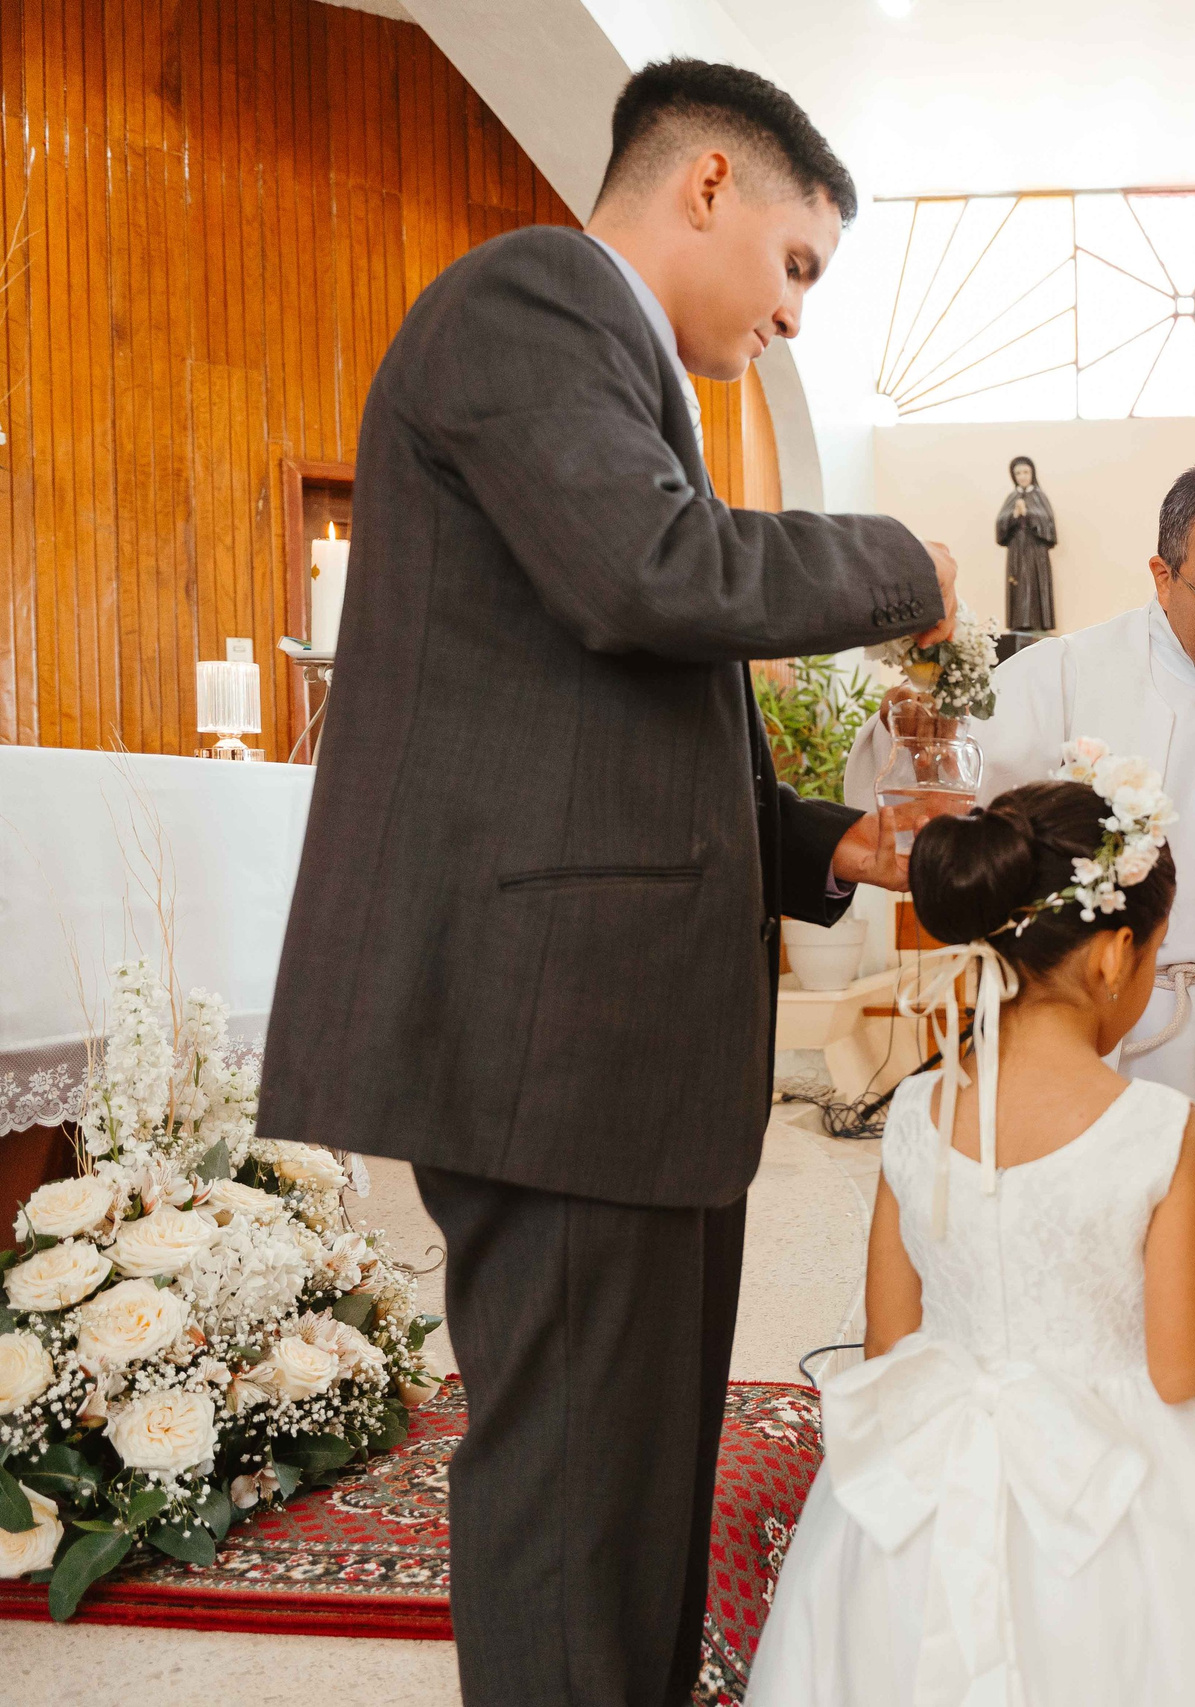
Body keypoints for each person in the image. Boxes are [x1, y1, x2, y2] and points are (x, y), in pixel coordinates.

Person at [257, 61, 959, 1707]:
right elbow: (647, 578)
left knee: (640, 1483)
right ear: (710, 184)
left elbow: (610, 719)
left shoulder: (616, 372)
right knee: (579, 1504)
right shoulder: (536, 297)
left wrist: (822, 843)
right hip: (553, 1040)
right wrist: (903, 563)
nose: (793, 318)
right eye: (798, 265)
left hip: (614, 1045)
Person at [751, 763, 1195, 1706]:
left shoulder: (921, 1108)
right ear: (1112, 957)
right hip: (1119, 1484)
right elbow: (1177, 1368)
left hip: (935, 1465)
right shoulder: (1159, 1126)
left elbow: (890, 1342)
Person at [857, 457, 1195, 1385]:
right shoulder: (1059, 677)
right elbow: (928, 807)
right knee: (1093, 1303)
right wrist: (914, 723)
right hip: (1083, 1040)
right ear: (1161, 575)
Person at [997, 453, 1057, 633]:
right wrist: (1014, 515)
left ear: (1032, 473)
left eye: (1025, 472)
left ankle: (1037, 623)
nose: (1022, 476)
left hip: (1035, 551)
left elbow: (1048, 524)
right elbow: (1000, 524)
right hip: (1016, 550)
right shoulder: (1011, 498)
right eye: (1018, 473)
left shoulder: (1039, 496)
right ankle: (1019, 623)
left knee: (1034, 585)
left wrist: (1028, 513)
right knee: (1017, 584)